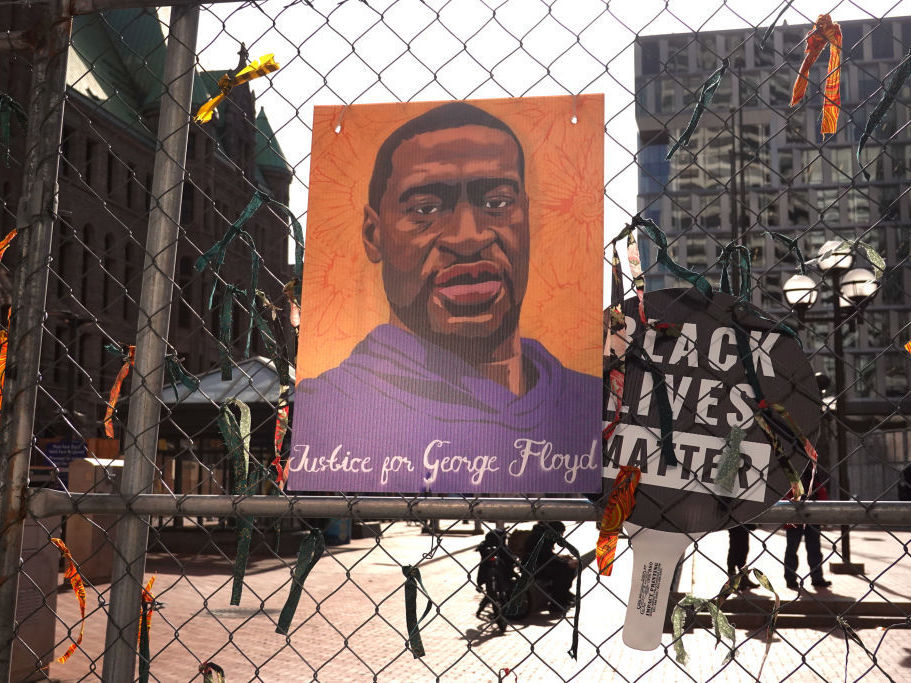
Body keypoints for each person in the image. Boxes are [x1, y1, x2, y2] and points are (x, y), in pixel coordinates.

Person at [288, 102, 601, 493]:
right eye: (425, 209)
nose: (468, 237)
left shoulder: (592, 406)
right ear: (374, 233)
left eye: (498, 203)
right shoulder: (324, 412)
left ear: (526, 215)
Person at [783, 468, 832, 590]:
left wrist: (822, 515)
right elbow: (786, 496)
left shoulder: (813, 477)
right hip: (796, 518)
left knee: (812, 549)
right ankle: (792, 578)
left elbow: (821, 494)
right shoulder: (793, 477)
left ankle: (815, 578)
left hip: (810, 517)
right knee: (794, 549)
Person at [726, 524, 759, 589]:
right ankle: (733, 582)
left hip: (743, 531)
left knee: (742, 556)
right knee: (733, 556)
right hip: (736, 530)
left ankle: (744, 580)